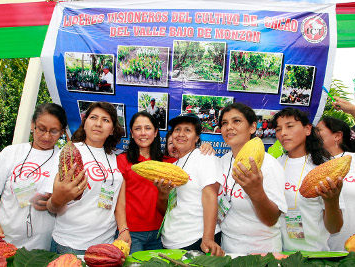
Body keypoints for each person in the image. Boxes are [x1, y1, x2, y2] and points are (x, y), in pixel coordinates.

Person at [0, 103, 67, 251]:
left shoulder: (64, 159)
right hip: (5, 241)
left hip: (46, 247)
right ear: (32, 125)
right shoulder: (11, 153)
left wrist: (55, 202)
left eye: (54, 131)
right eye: (41, 129)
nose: (46, 136)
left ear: (62, 132)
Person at [45, 102, 127, 255]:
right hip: (71, 244)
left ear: (112, 130)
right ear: (85, 123)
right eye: (93, 117)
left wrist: (123, 229)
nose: (98, 124)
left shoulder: (113, 158)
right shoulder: (70, 152)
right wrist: (59, 199)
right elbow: (51, 205)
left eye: (106, 120)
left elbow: (117, 201)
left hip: (106, 244)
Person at [218, 103, 287, 254]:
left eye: (236, 121)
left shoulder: (268, 165)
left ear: (252, 127)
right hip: (228, 249)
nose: (229, 127)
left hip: (262, 253)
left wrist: (256, 192)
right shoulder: (222, 161)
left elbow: (271, 219)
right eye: (224, 123)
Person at [271, 107, 343, 251]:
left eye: (290, 126)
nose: (283, 133)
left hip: (313, 256)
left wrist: (332, 201)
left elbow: (335, 228)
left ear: (308, 129)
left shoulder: (324, 167)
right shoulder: (275, 164)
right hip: (278, 254)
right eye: (278, 129)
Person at [160, 113, 224, 256]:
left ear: (196, 138)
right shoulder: (174, 166)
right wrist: (163, 192)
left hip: (196, 241)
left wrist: (208, 238)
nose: (181, 134)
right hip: (170, 242)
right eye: (177, 129)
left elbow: (210, 196)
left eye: (187, 130)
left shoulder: (204, 158)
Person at [116, 112, 175, 253]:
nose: (143, 133)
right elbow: (119, 200)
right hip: (132, 234)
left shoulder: (168, 162)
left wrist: (205, 148)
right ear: (131, 132)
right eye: (138, 129)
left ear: (155, 132)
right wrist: (123, 229)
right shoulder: (122, 160)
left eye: (148, 128)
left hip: (161, 233)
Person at [316, 116, 355, 251]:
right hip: (327, 252)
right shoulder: (312, 165)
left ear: (337, 136)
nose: (313, 134)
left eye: (318, 130)